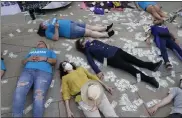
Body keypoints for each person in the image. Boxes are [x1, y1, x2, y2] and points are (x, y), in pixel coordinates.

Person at [75, 38, 163, 88]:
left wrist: (93, 41)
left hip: (116, 50)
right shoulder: (88, 50)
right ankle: (149, 79)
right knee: (130, 68)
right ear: (82, 46)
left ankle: (152, 66)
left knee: (135, 60)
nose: (85, 40)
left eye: (84, 39)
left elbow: (103, 44)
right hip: (111, 59)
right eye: (83, 41)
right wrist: (97, 71)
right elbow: (91, 62)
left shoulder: (94, 42)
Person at [12, 41, 57, 117]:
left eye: (41, 43)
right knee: (18, 92)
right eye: (37, 44)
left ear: (46, 45)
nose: (39, 44)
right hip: (28, 71)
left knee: (38, 97)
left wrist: (44, 58)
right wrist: (28, 59)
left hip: (44, 72)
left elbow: (54, 61)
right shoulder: (32, 50)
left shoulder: (49, 51)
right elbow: (23, 61)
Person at [37, 18, 114, 40]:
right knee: (89, 32)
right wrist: (56, 28)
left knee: (89, 26)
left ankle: (105, 28)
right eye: (43, 24)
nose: (45, 22)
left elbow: (57, 20)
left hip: (72, 23)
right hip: (70, 31)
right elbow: (56, 38)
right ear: (43, 27)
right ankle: (106, 35)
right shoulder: (47, 33)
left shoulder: (50, 22)